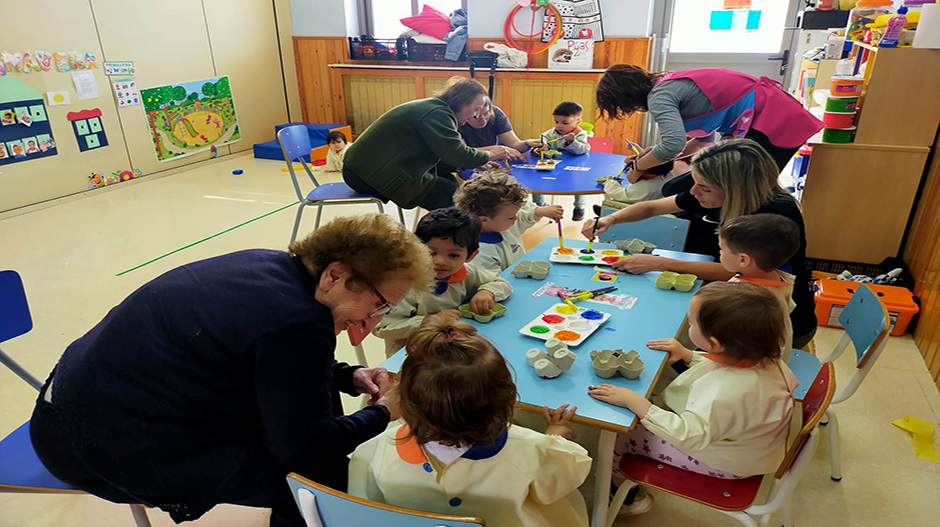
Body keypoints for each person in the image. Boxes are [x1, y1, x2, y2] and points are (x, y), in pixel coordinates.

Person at [29, 214, 434, 527]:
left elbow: (268, 353)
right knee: (316, 478)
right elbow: (304, 448)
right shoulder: (298, 324)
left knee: (319, 415)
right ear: (335, 274)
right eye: (380, 304)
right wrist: (383, 412)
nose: (376, 320)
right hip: (97, 448)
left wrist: (346, 376)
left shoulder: (272, 266)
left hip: (66, 407)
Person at [350, 312, 592, 527]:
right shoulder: (538, 452)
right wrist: (556, 432)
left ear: (404, 401)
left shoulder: (373, 453)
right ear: (507, 400)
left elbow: (366, 509)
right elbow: (571, 469)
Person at [581, 138, 816, 348]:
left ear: (736, 190)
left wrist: (661, 263)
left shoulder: (774, 217)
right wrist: (610, 219)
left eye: (703, 187)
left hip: (771, 329)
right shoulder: (713, 194)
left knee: (656, 337)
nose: (693, 192)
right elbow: (653, 206)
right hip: (735, 304)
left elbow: (745, 276)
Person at [588, 282, 798, 516]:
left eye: (691, 322)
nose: (688, 324)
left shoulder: (725, 392)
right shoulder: (767, 358)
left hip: (728, 462)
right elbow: (724, 365)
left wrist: (636, 403)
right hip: (754, 446)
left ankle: (625, 498)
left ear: (715, 343)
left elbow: (689, 436)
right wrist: (689, 356)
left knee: (620, 434)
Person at [595, 64, 823, 195]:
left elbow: (672, 146)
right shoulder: (669, 82)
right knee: (729, 189)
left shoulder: (660, 96)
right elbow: (703, 141)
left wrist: (637, 166)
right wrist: (651, 153)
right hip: (772, 114)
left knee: (750, 192)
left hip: (773, 119)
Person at [343, 77, 522, 211]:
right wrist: (491, 153)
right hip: (363, 173)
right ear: (461, 102)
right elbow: (456, 153)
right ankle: (439, 242)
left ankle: (441, 234)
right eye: (475, 109)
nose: (475, 116)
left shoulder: (436, 109)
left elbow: (445, 157)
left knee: (447, 179)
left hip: (364, 168)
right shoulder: (438, 113)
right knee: (447, 192)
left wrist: (477, 160)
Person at [373, 207, 513, 356]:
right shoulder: (404, 285)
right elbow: (382, 327)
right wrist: (429, 321)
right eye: (431, 252)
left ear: (471, 255)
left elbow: (502, 283)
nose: (440, 261)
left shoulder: (467, 272)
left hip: (454, 348)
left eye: (453, 255)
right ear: (415, 249)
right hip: (414, 355)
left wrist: (488, 292)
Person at [719, 214, 801, 361]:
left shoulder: (743, 297)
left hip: (751, 366)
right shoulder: (779, 277)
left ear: (743, 259)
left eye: (722, 249)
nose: (720, 253)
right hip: (773, 359)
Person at [454, 172, 563, 272]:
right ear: (483, 220)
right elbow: (493, 285)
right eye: (511, 217)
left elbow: (522, 215)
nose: (516, 218)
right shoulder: (480, 252)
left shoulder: (499, 223)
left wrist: (539, 211)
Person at [533, 101, 591, 221]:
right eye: (556, 122)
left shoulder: (579, 134)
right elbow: (543, 140)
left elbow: (583, 149)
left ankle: (579, 207)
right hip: (554, 164)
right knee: (537, 177)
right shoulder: (552, 132)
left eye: (565, 123)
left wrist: (572, 142)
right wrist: (539, 147)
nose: (559, 126)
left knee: (580, 184)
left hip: (574, 166)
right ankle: (539, 204)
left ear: (578, 121)